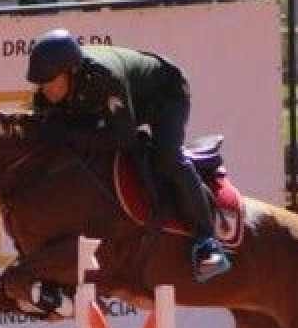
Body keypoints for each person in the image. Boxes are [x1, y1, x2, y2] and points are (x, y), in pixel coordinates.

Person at [26, 28, 231, 283]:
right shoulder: (49, 93)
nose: (46, 91)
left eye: (51, 83)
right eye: (41, 85)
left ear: (70, 72)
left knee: (166, 157)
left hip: (165, 95)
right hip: (129, 103)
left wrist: (70, 136)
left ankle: (208, 242)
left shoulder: (105, 78)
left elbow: (124, 138)